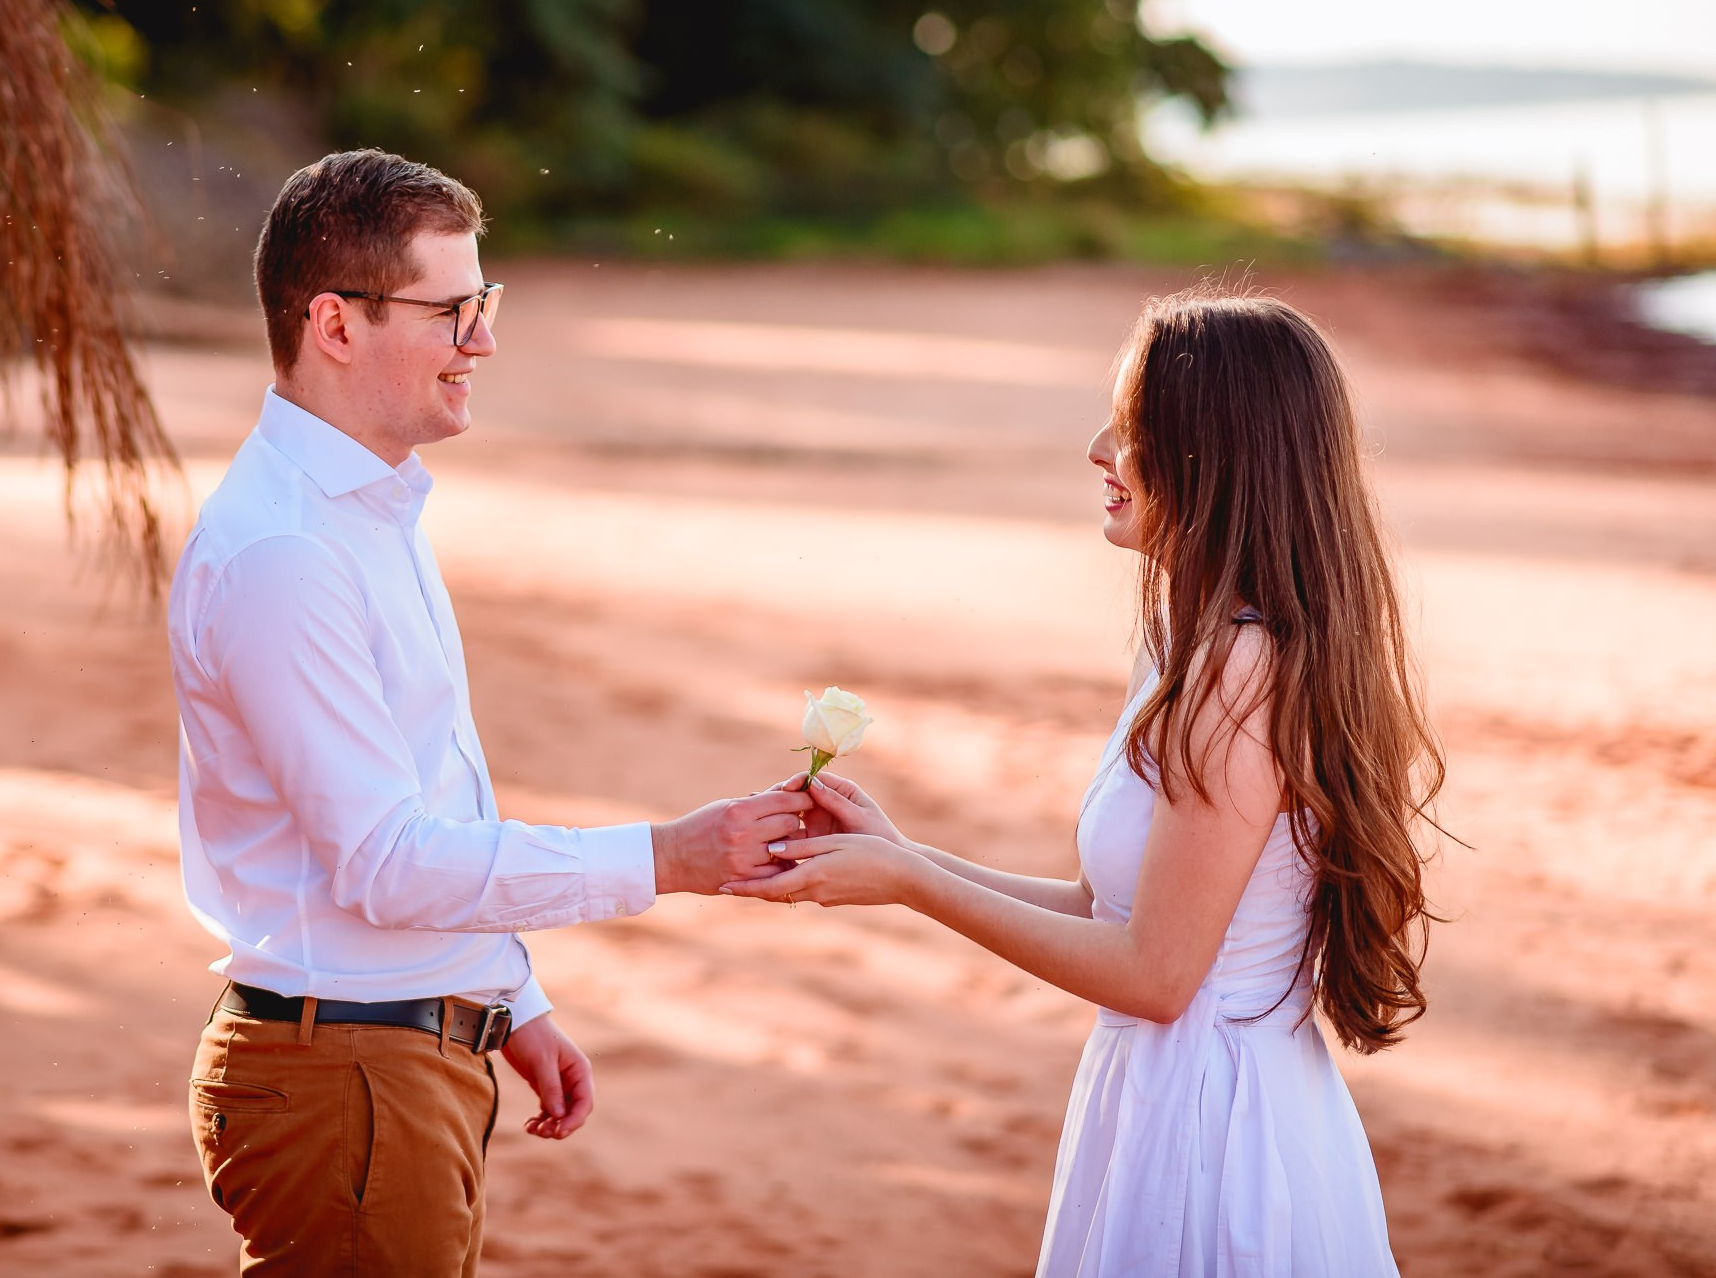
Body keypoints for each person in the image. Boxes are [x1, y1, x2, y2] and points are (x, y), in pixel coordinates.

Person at [167, 148, 811, 1275]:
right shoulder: (288, 550)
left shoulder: (364, 507)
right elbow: (382, 859)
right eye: (454, 309)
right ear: (335, 324)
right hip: (345, 1077)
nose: (484, 341)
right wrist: (667, 854)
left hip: (392, 1058)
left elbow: (427, 787)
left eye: (485, 302)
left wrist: (508, 997)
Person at [731, 291, 1445, 1275]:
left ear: (1213, 451)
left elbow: (1154, 975)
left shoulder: (1235, 671)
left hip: (1212, 1127)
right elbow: (1107, 908)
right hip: (1165, 1095)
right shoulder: (1190, 648)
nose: (1098, 446)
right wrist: (900, 855)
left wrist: (909, 885)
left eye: (1134, 424)